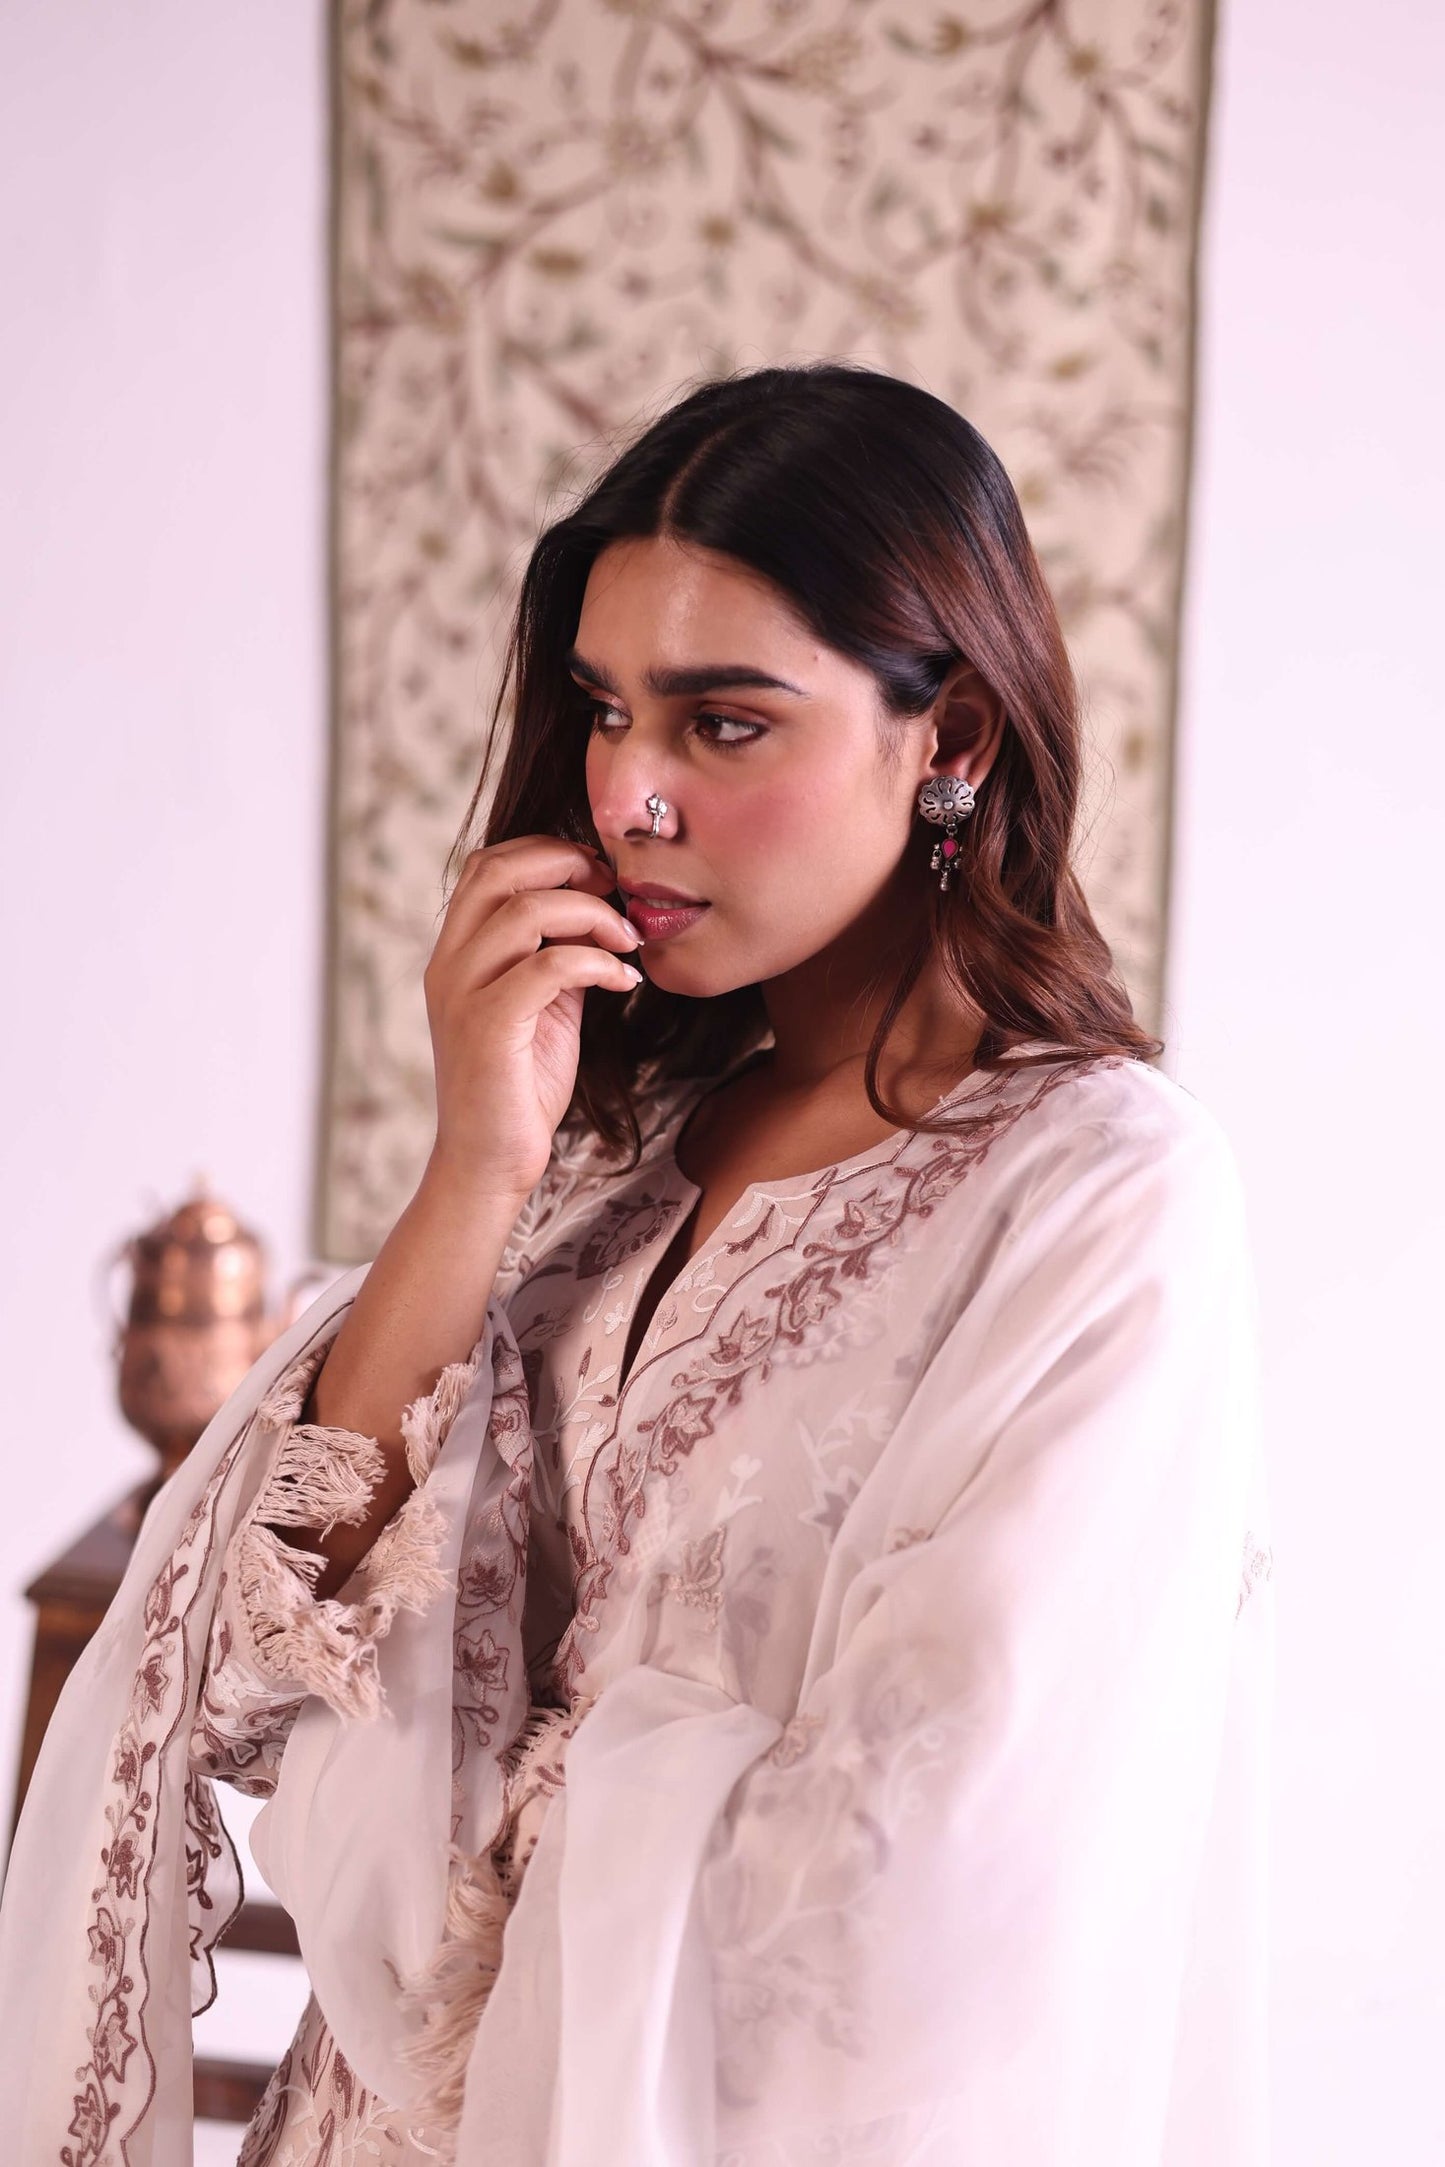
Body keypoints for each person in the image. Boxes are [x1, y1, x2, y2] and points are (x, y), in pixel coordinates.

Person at [0, 362, 1274, 2167]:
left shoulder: (1096, 1200)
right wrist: (473, 1173)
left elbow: (941, 1885)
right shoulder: (602, 1161)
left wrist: (480, 1840)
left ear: (954, 741)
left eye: (723, 724)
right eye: (605, 712)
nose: (631, 801)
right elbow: (249, 1677)